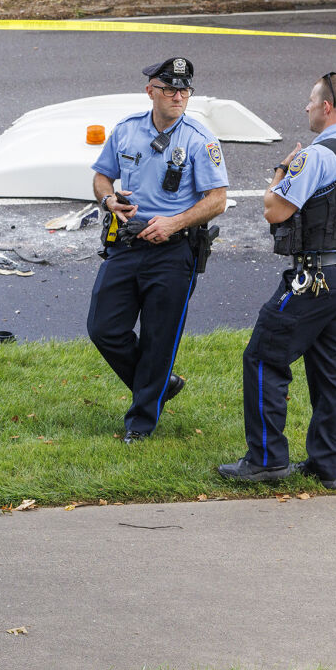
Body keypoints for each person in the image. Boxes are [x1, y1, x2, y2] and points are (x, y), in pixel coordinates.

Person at [218, 72, 336, 489]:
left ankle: (266, 460)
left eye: (310, 101)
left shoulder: (318, 156)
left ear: (327, 107)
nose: (305, 107)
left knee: (263, 357)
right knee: (331, 371)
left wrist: (281, 171)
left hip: (315, 278)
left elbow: (276, 211)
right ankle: (328, 466)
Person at [88, 57, 229, 441]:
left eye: (185, 90)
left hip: (173, 250)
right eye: (170, 89)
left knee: (158, 338)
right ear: (151, 91)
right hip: (127, 243)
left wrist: (175, 222)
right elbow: (102, 177)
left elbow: (218, 199)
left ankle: (140, 422)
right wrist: (108, 201)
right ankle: (160, 385)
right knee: (103, 328)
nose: (179, 96)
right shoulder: (127, 131)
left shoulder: (200, 139)